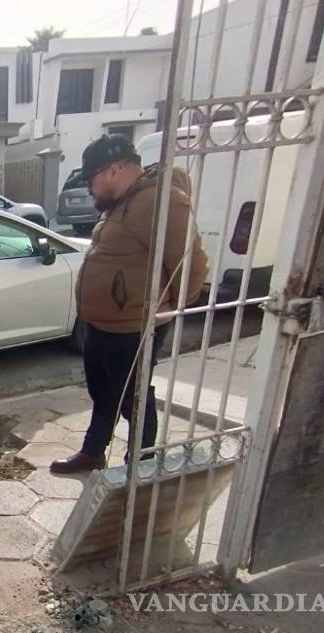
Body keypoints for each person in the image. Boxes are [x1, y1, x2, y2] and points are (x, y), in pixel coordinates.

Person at [52, 135, 209, 474]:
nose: (90, 189)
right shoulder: (122, 203)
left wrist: (168, 308)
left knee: (134, 399)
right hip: (101, 325)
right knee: (104, 392)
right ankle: (93, 452)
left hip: (131, 328)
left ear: (114, 170)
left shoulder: (159, 203)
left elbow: (191, 267)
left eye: (92, 180)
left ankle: (141, 464)